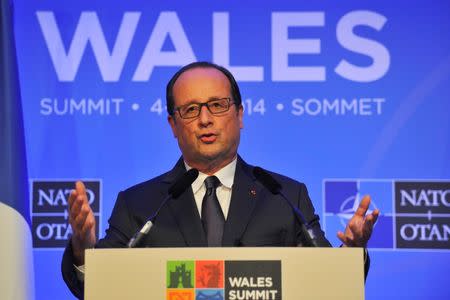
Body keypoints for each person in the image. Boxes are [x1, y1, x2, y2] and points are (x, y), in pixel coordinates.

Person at [62, 61, 379, 298]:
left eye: (217, 105)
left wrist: (350, 255)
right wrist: (83, 248)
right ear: (173, 125)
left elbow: (325, 285)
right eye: (190, 109)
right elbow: (97, 288)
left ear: (239, 115)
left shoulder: (284, 196)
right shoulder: (140, 204)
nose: (204, 119)